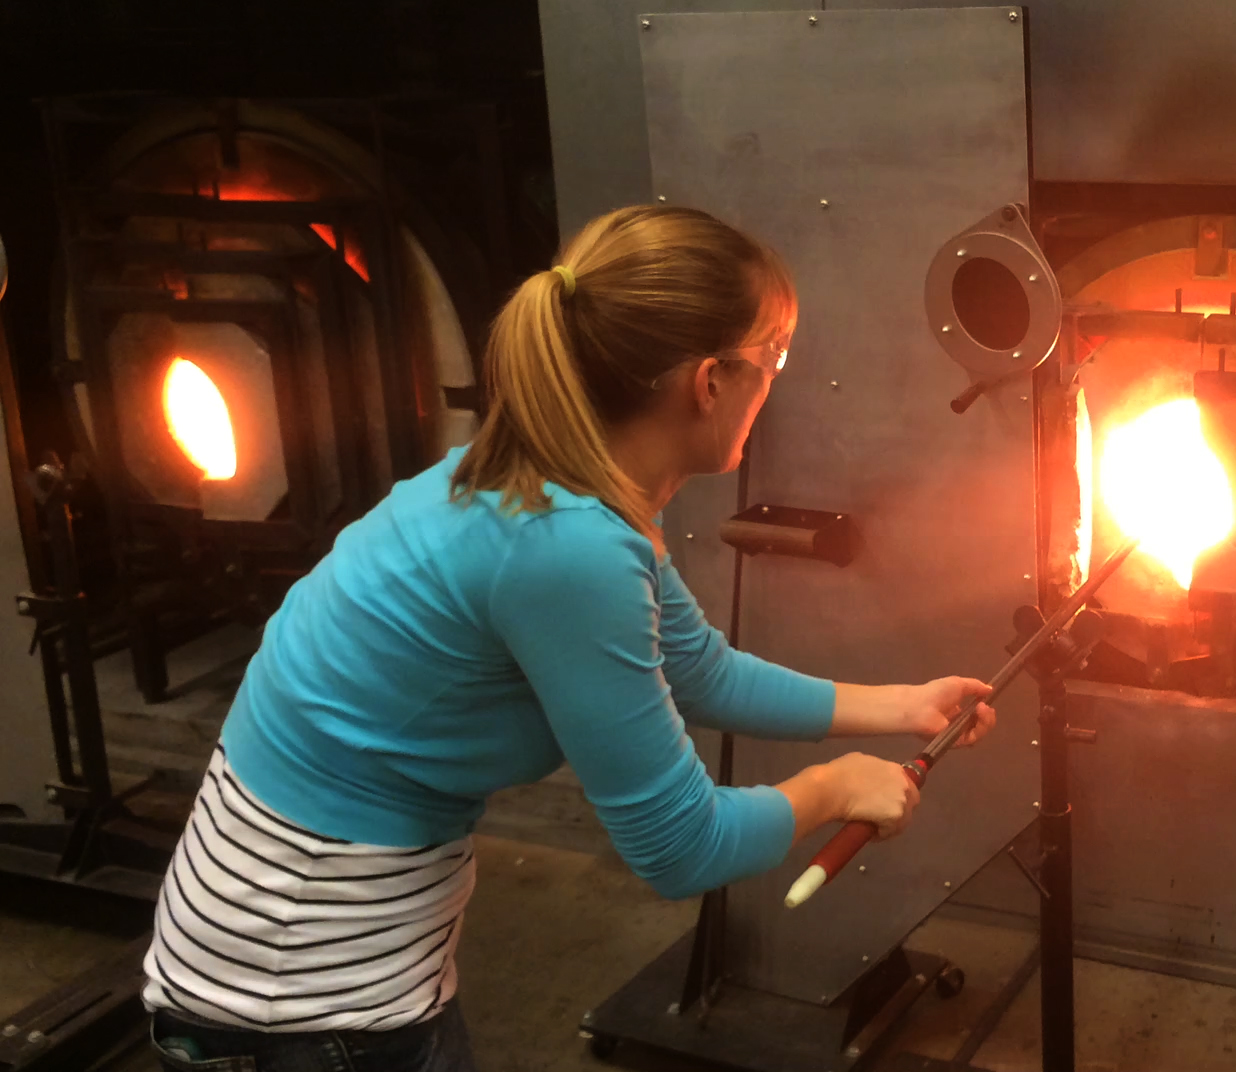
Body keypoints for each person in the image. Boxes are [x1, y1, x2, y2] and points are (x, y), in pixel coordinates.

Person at [141, 205, 995, 1072]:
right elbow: (680, 848)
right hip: (300, 994)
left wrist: (904, 706)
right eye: (773, 355)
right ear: (709, 381)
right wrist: (831, 789)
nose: (777, 377)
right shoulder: (568, 546)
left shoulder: (558, 482)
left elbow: (694, 668)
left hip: (287, 952)